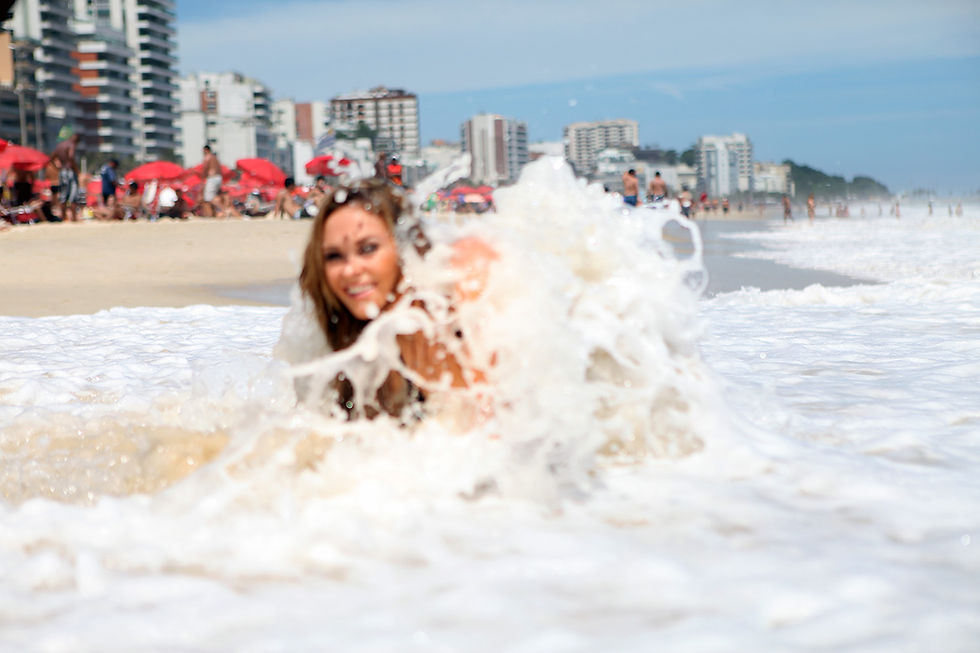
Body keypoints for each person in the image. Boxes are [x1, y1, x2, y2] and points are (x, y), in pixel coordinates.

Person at [291, 177, 494, 419]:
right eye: (334, 256)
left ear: (404, 246)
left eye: (368, 248)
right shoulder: (355, 343)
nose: (350, 269)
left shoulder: (458, 291)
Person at [48, 130, 81, 222]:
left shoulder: (60, 145)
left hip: (62, 172)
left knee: (63, 195)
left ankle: (63, 218)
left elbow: (51, 158)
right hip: (70, 171)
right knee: (73, 195)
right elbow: (71, 157)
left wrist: (57, 168)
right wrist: (76, 169)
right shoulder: (71, 145)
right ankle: (74, 219)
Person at [200, 145, 221, 217]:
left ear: (206, 150)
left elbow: (205, 168)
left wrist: (202, 177)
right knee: (213, 197)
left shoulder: (208, 157)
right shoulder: (215, 158)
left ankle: (211, 215)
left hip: (212, 178)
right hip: (218, 177)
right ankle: (216, 214)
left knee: (208, 199)